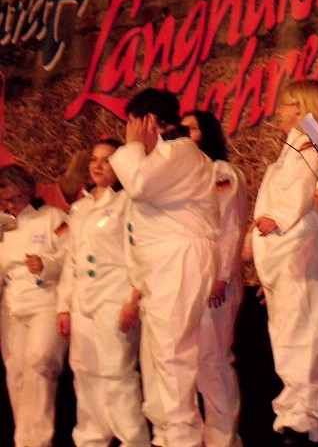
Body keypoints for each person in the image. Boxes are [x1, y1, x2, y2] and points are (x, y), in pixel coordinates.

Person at [109, 88, 219, 447]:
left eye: (132, 125)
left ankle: (184, 437)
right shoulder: (168, 156)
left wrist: (131, 147)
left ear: (149, 122)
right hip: (168, 261)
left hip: (179, 258)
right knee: (167, 355)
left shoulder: (180, 152)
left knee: (173, 355)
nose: (129, 134)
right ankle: (175, 433)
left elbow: (138, 184)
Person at [251, 79, 318, 446]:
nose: (278, 111)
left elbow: (302, 189)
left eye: (285, 104)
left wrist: (279, 217)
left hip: (302, 252)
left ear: (300, 107)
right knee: (287, 335)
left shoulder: (311, 144)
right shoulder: (292, 149)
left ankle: (301, 419)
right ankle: (294, 415)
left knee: (302, 335)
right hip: (286, 257)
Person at [56, 138, 150, 447]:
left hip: (115, 295)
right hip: (83, 300)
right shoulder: (81, 207)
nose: (98, 165)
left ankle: (132, 439)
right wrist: (63, 306)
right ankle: (92, 438)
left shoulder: (128, 203)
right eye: (94, 159)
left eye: (107, 160)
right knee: (84, 371)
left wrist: (134, 298)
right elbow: (72, 260)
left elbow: (138, 253)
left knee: (116, 372)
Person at [182, 110, 248, 447]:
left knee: (213, 361)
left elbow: (231, 227)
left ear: (206, 134)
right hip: (190, 280)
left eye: (191, 129)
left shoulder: (221, 173)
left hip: (216, 280)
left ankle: (224, 439)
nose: (185, 135)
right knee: (192, 363)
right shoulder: (183, 177)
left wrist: (221, 276)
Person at [0, 163, 69, 447]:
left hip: (45, 301)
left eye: (15, 198)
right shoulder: (2, 225)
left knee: (39, 362)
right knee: (16, 370)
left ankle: (38, 441)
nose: (10, 205)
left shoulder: (53, 217)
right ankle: (24, 440)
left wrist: (46, 264)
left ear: (28, 190)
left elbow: (72, 256)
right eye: (4, 200)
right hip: (11, 305)